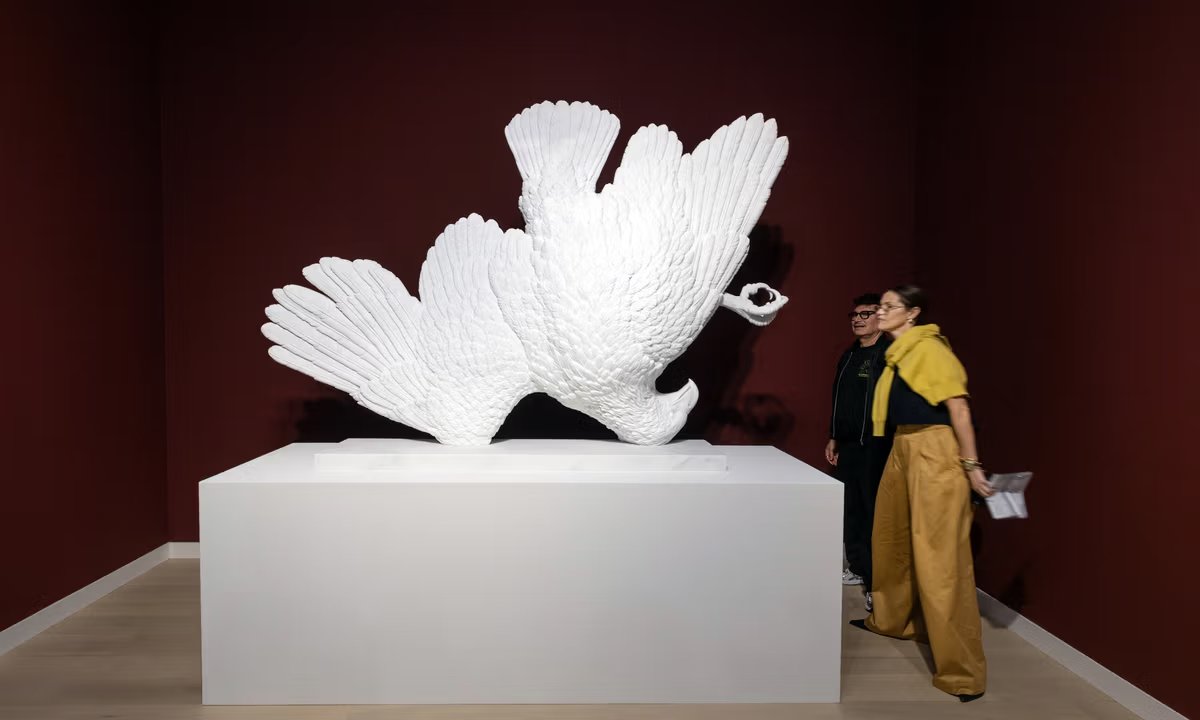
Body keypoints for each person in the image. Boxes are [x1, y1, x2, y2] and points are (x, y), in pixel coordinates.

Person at [852, 284, 992, 702]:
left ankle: (963, 672)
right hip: (904, 445)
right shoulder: (897, 354)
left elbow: (959, 408)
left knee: (940, 559)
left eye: (889, 306)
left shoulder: (930, 350)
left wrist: (971, 465)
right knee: (891, 537)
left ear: (912, 313)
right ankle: (894, 620)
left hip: (935, 448)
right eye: (880, 306)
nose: (880, 312)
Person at [825, 293, 892, 613]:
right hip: (849, 444)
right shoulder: (850, 354)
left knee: (871, 513)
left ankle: (875, 583)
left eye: (865, 314)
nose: (857, 319)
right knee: (850, 508)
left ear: (880, 317)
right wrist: (834, 437)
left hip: (875, 446)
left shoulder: (886, 355)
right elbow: (839, 397)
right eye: (854, 314)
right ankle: (856, 566)